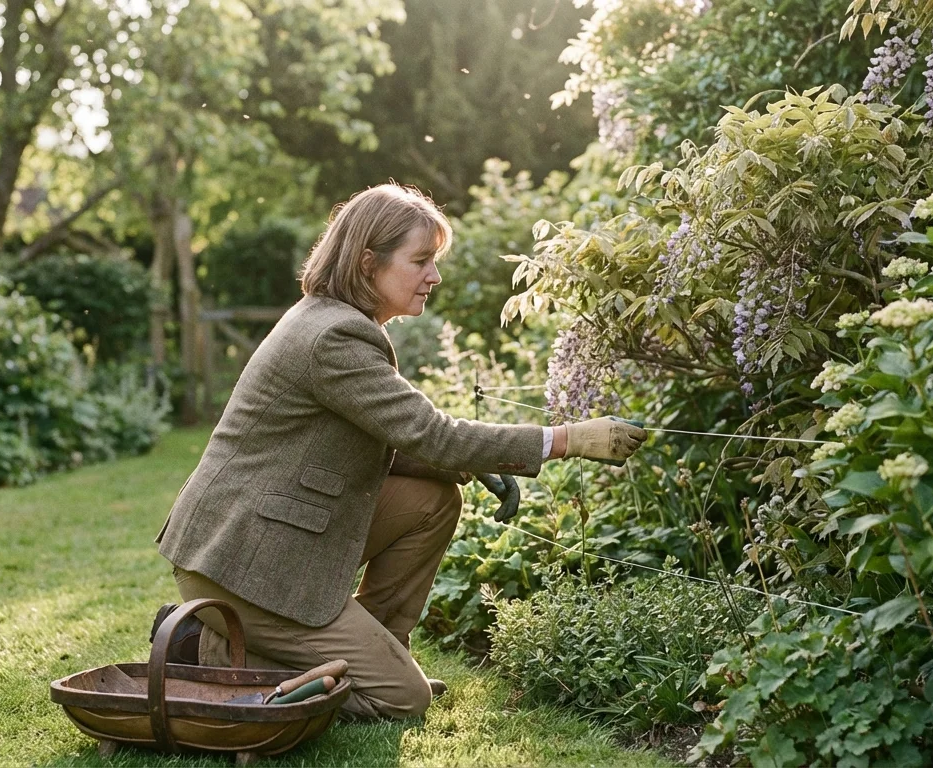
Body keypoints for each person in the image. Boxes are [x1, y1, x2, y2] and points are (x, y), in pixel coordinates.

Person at [154, 183, 646, 719]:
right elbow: (432, 433)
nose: (433, 276)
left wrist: (465, 464)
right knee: (402, 700)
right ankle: (204, 650)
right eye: (420, 261)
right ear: (369, 263)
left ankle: (381, 653)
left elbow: (372, 442)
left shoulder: (331, 319)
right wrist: (570, 438)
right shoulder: (335, 336)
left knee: (430, 499)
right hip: (245, 561)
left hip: (266, 535)